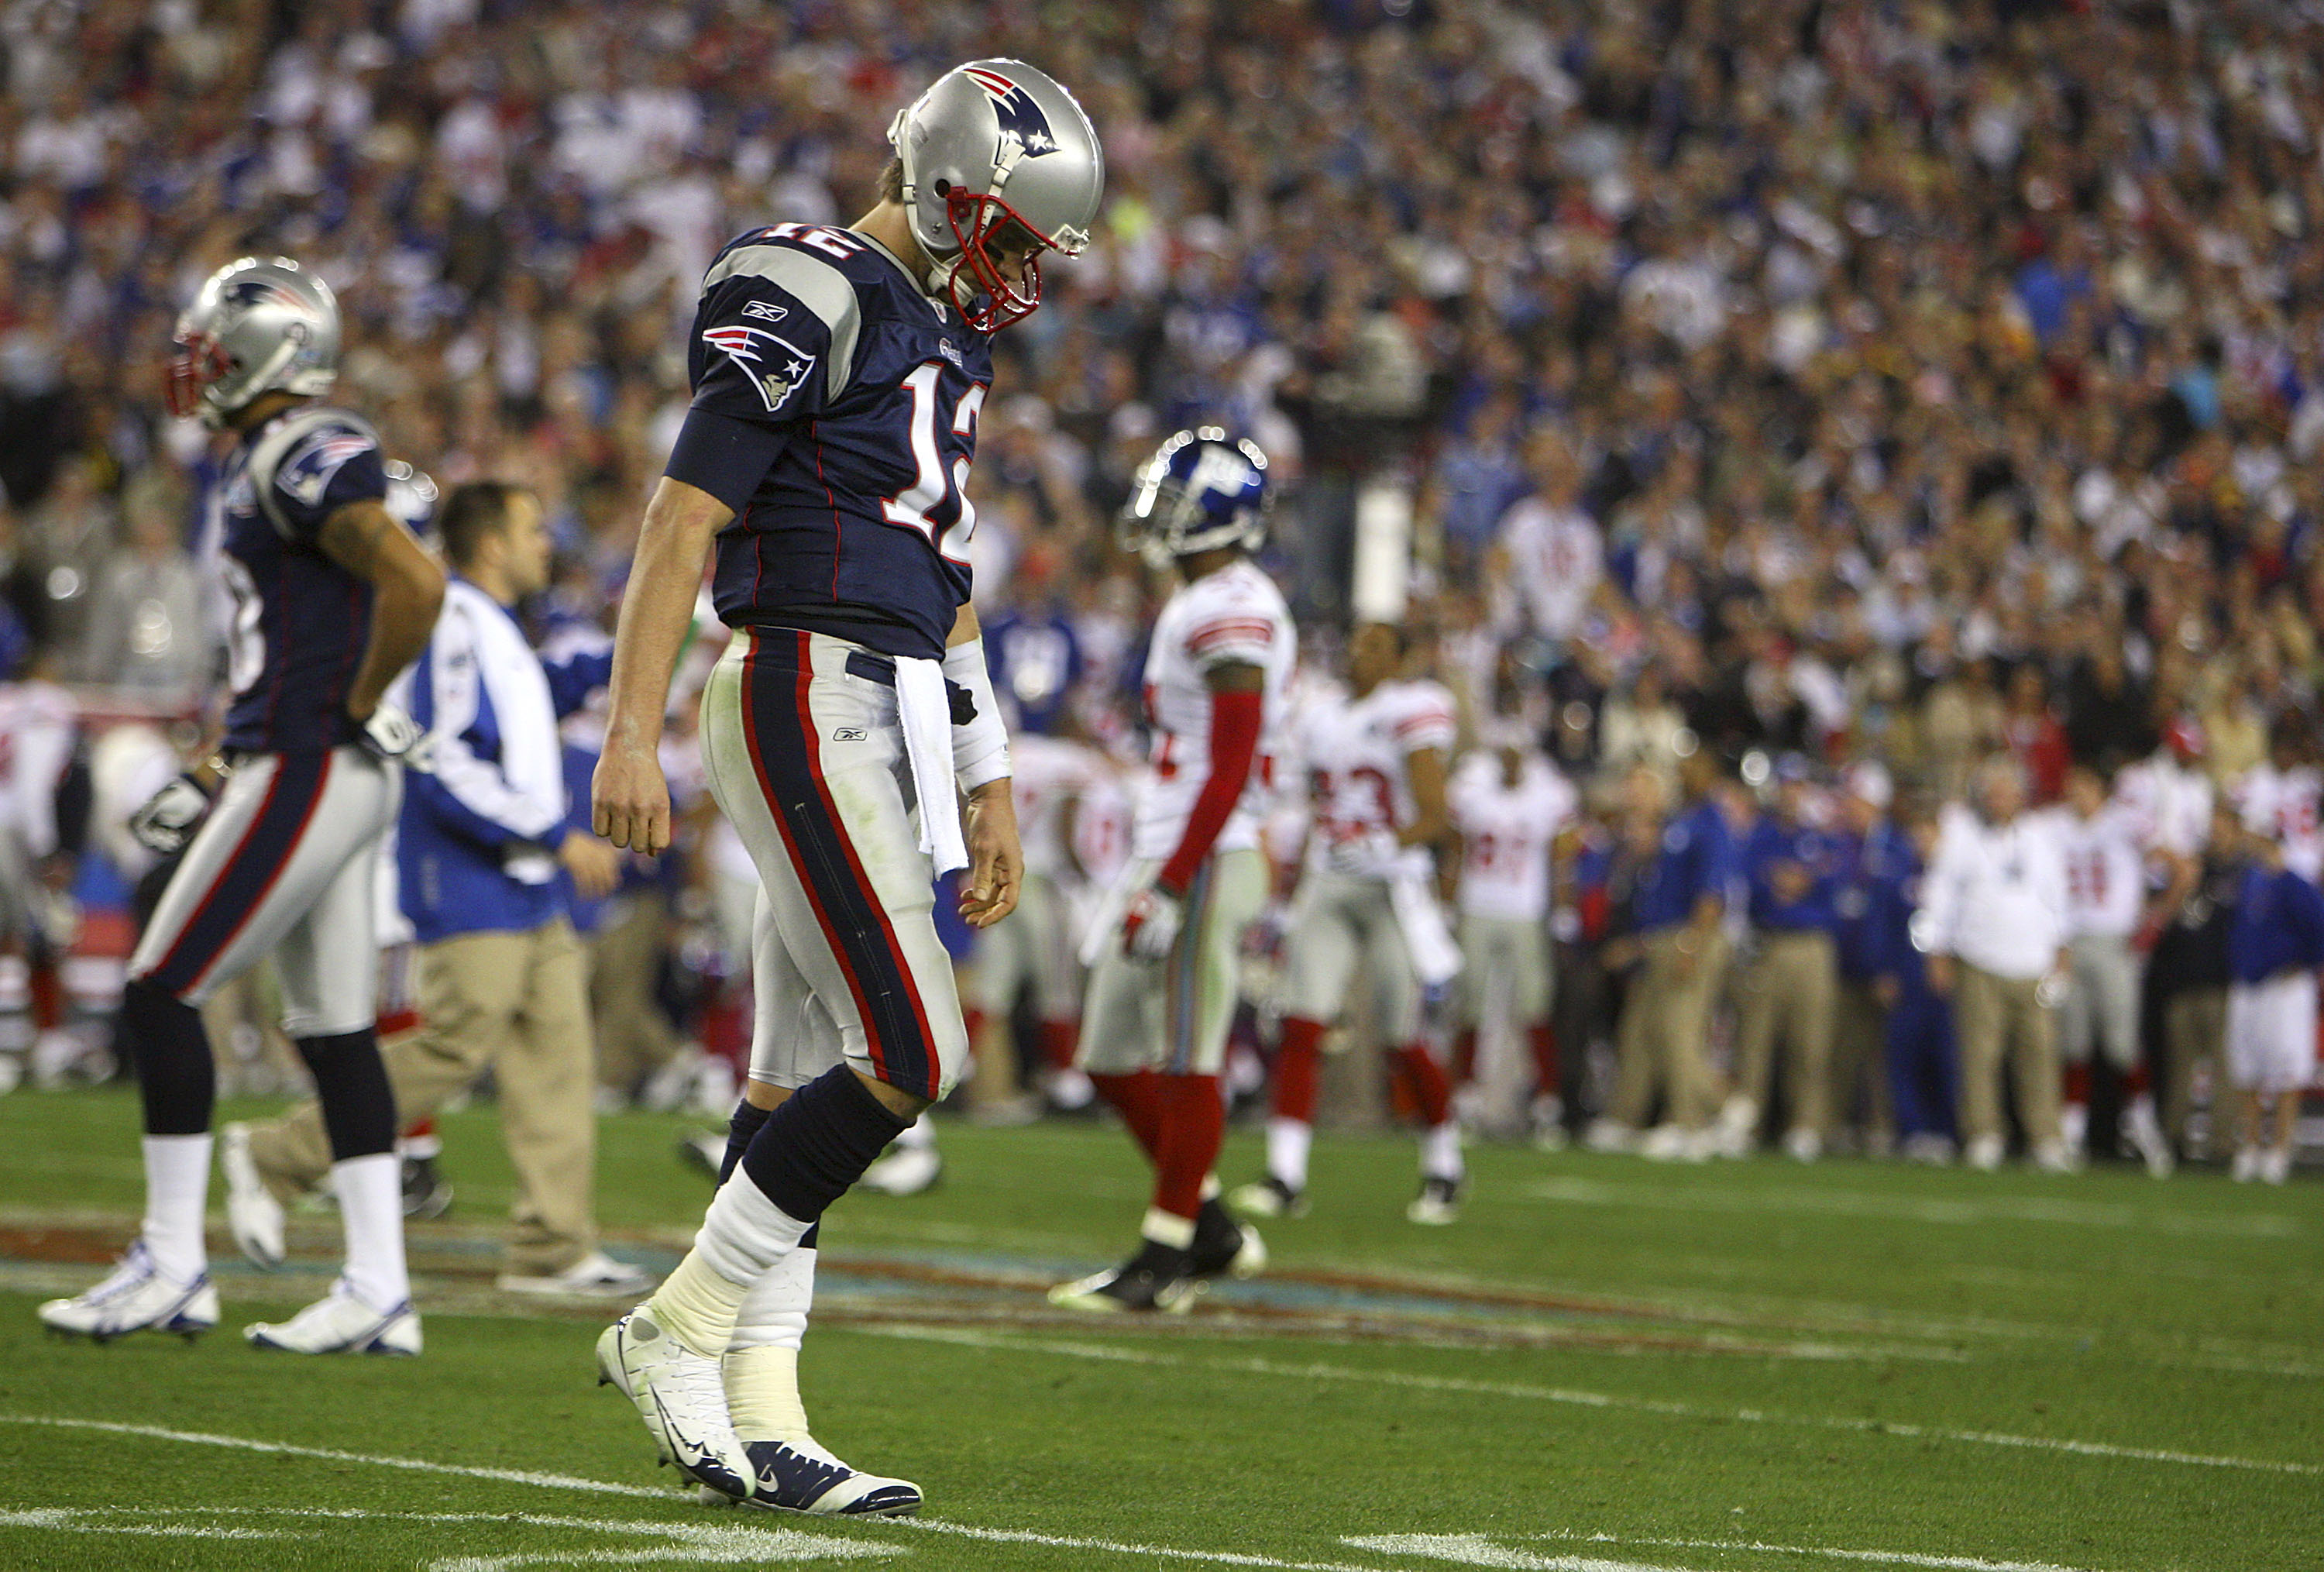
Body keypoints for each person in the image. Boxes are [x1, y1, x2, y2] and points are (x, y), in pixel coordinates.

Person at [586, 60, 1100, 1515]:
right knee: (915, 1044)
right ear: (946, 192)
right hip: (803, 678)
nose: (1017, 273)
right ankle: (676, 1325)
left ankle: (765, 1405)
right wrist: (630, 727)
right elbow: (684, 512)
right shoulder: (811, 279)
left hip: (886, 696)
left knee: (792, 1065)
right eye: (1009, 235)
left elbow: (944, 574)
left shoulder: (945, 330)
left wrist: (989, 777)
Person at [39, 258, 444, 1350]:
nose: (196, 370)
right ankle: (378, 1287)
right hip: (304, 758)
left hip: (313, 762)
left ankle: (172, 1261)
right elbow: (301, 634)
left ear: (270, 354)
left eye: (213, 353)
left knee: (162, 988)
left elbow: (417, 585)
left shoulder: (303, 447)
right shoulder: (264, 456)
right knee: (334, 1027)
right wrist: (224, 759)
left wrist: (354, 699)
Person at [219, 482, 650, 1297]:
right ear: (490, 542)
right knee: (454, 1042)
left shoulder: (493, 626)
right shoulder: (451, 620)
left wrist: (663, 629)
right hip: (470, 871)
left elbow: (535, 700)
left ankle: (551, 1248)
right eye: (532, 527)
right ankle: (277, 1153)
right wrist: (553, 837)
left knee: (556, 1053)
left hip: (519, 879)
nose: (545, 542)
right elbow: (442, 755)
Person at [1050, 428, 1288, 1311]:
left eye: (1178, 499)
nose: (1157, 512)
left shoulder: (1235, 600)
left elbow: (1230, 762)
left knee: (1190, 1054)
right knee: (1108, 1049)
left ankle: (1164, 1258)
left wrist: (1178, 876)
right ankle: (1212, 1224)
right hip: (1173, 844)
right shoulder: (1196, 598)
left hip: (1210, 851)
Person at [1232, 621, 1464, 1223]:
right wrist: (1290, 895)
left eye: (1375, 646)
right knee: (1302, 1024)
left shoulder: (1414, 708)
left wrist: (1388, 841)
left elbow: (1437, 813)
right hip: (1333, 877)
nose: (1359, 654)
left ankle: (1444, 1164)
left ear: (1399, 656)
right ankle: (1286, 1174)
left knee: (1403, 1033)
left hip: (1394, 883)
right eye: (1356, 643)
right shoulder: (1323, 716)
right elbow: (1314, 809)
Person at [1914, 755, 2072, 1173]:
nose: (1999, 798)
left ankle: (2046, 1138)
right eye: (1992, 791)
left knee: (2038, 1054)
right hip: (1979, 960)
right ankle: (1984, 1134)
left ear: (2021, 795)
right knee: (1979, 1056)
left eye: (2006, 791)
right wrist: (1936, 950)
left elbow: (2057, 896)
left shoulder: (2040, 837)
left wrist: (2062, 948)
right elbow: (1939, 895)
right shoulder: (1962, 835)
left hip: (2032, 963)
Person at [1590, 755, 1737, 1160]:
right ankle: (1626, 1117)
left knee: (1678, 1032)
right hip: (1659, 939)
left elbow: (1711, 891)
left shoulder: (1710, 821)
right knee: (1639, 1031)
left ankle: (1703, 1118)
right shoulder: (1677, 822)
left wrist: (1692, 943)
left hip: (1688, 937)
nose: (1684, 771)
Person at [1444, 722, 1574, 1143]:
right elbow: (1454, 844)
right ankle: (1463, 1100)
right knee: (1471, 1005)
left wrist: (1563, 905)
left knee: (1534, 1007)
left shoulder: (1547, 788)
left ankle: (1546, 1105)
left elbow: (1564, 850)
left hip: (1525, 909)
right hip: (1478, 905)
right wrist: (1447, 900)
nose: (1512, 761)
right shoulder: (1472, 781)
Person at [2054, 762, 2173, 1175]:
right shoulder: (2056, 825)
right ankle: (2070, 1138)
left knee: (2123, 1046)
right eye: (2071, 784)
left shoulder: (2124, 823)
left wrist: (2153, 920)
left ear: (2099, 788)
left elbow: (2181, 866)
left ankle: (2144, 1128)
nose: (2075, 792)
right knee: (2074, 1044)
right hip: (2069, 945)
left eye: (2082, 784)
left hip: (2113, 943)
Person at [1724, 756, 1841, 1161]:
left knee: (1810, 1043)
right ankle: (1746, 1120)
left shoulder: (1823, 838)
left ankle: (1806, 1125)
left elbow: (1838, 888)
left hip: (1812, 947)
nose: (1792, 793)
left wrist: (1804, 880)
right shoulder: (1760, 835)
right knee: (1755, 1039)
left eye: (1798, 786)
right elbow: (1748, 885)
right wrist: (1786, 879)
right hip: (1769, 944)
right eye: (1787, 785)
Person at [2224, 820, 2324, 1184]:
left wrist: (2301, 966)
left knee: (2285, 1074)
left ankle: (2280, 1151)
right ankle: (2249, 1148)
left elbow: (2318, 931)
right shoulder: (2252, 878)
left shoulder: (2297, 884)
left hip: (2285, 987)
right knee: (2247, 1070)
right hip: (2249, 986)